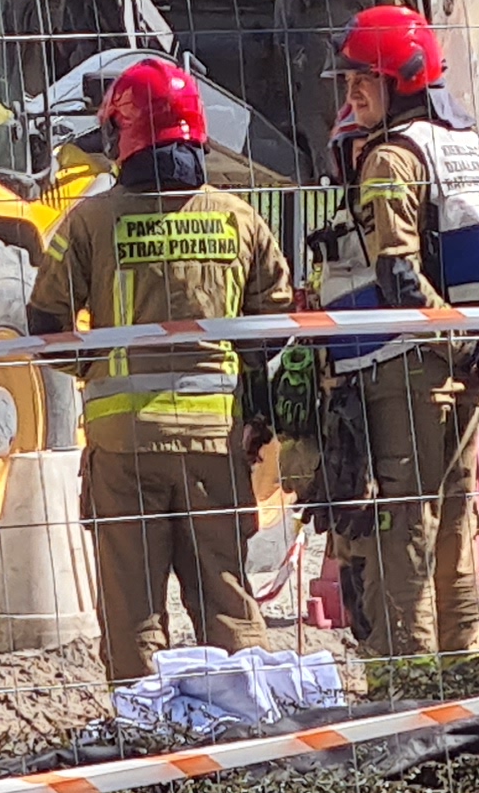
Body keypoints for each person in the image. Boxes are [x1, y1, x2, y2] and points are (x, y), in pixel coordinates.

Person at [27, 58, 289, 688]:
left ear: (122, 136)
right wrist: (253, 404)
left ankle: (144, 745)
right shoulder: (238, 218)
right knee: (226, 599)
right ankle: (245, 733)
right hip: (215, 446)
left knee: (134, 611)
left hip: (125, 447)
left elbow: (44, 321)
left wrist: (95, 368)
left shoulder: (90, 220)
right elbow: (276, 323)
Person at [321, 2, 479, 669]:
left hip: (403, 367)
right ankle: (466, 680)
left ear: (401, 78)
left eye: (363, 80)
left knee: (401, 531)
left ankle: (410, 695)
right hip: (467, 367)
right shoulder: (467, 149)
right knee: (457, 528)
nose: (351, 94)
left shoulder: (391, 160)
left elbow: (399, 277)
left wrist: (456, 343)